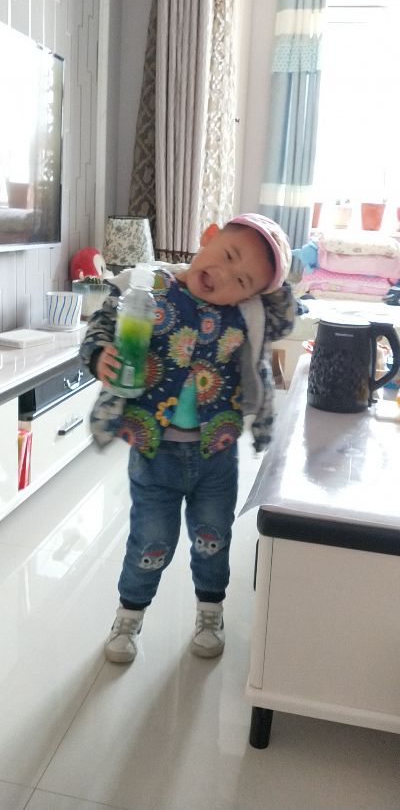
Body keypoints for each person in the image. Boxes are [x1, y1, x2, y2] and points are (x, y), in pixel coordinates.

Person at [80, 213, 294, 663]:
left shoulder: (246, 313)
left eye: (242, 280)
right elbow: (99, 327)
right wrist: (101, 356)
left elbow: (286, 317)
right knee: (150, 539)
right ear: (208, 236)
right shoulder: (148, 288)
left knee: (213, 537)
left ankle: (210, 612)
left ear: (252, 294)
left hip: (216, 454)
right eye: (228, 255)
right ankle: (129, 615)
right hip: (154, 452)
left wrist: (273, 277)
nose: (225, 276)